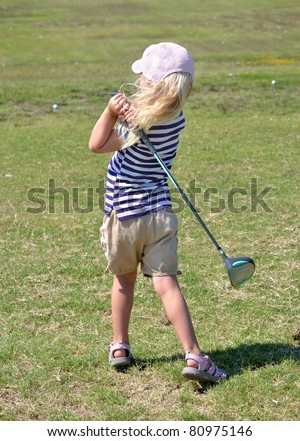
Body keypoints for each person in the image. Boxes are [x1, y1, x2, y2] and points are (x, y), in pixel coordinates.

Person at [89, 42, 227, 384]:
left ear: (151, 82)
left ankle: (119, 346)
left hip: (123, 215)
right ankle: (194, 353)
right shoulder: (176, 118)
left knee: (123, 282)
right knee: (167, 284)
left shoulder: (134, 121)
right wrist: (130, 116)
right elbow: (149, 119)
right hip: (159, 215)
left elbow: (96, 144)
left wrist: (110, 112)